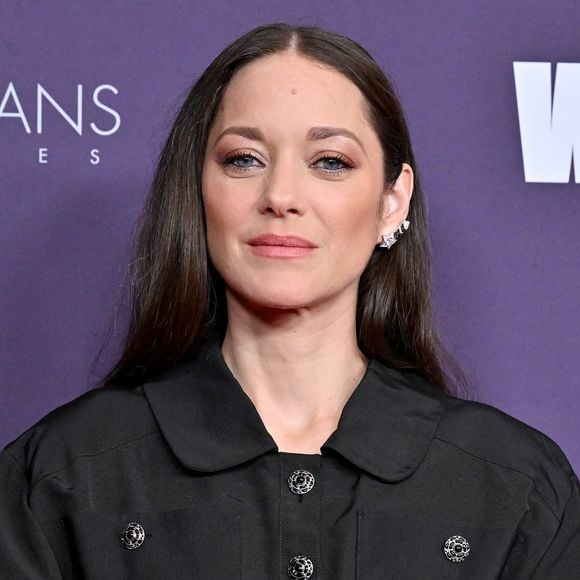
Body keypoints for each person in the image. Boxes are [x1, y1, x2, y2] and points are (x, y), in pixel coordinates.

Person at [1, 22, 578, 579]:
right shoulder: (62, 476)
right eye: (243, 159)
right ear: (196, 189)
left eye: (330, 162)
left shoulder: (519, 488)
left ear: (392, 201)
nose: (280, 196)